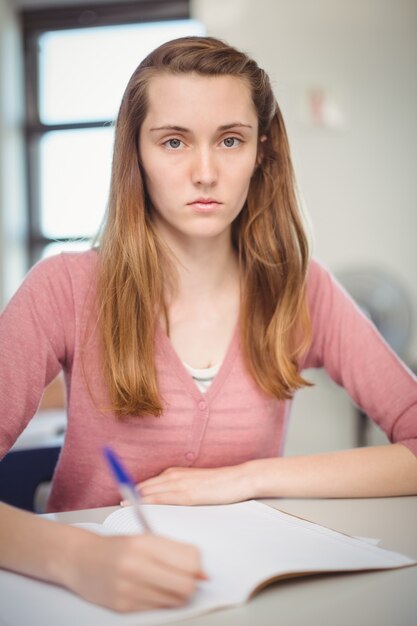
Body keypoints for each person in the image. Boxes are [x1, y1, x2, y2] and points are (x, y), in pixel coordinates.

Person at [0, 35, 416, 611]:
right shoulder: (65, 287)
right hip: (90, 600)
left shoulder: (302, 289)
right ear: (136, 154)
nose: (204, 172)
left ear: (261, 152)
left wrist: (247, 477)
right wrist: (74, 558)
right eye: (174, 141)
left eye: (229, 140)